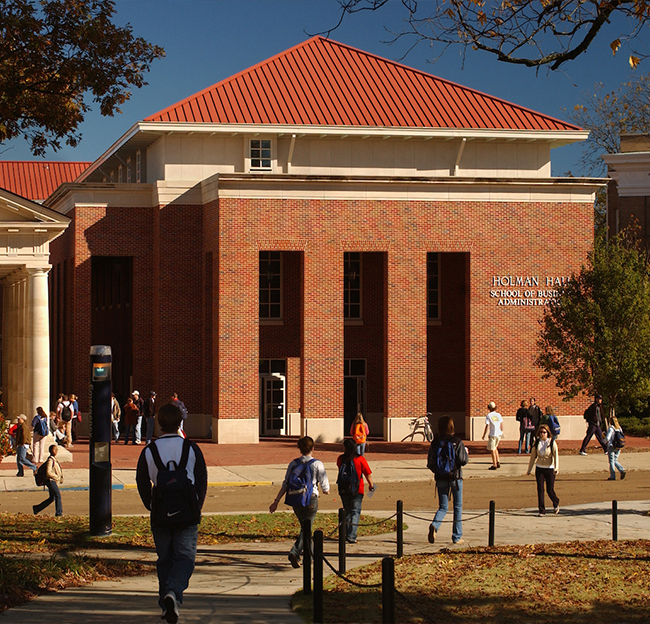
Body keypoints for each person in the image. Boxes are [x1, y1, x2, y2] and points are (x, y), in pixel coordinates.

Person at [136, 403, 207, 624]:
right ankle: (174, 594)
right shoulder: (191, 448)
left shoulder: (149, 451)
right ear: (179, 422)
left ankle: (167, 602)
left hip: (161, 513)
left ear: (159, 423)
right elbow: (202, 479)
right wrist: (198, 504)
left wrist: (150, 504)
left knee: (165, 559)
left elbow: (141, 481)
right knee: (185, 558)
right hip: (187, 512)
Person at [269, 436, 330, 568]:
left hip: (296, 500)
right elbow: (325, 484)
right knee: (306, 529)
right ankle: (295, 552)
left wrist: (276, 501)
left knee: (304, 527)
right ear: (313, 448)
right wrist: (325, 490)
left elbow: (286, 483)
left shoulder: (293, 464)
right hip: (311, 499)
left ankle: (312, 556)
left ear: (300, 449)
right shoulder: (317, 464)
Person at [427, 415, 468, 545]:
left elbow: (431, 463)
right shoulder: (457, 441)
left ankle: (435, 524)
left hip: (441, 479)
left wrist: (439, 472)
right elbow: (463, 460)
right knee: (457, 507)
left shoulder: (435, 443)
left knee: (443, 507)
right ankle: (456, 536)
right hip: (456, 478)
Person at [336, 438, 374, 544]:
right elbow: (367, 473)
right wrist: (371, 485)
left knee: (347, 511)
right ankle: (351, 536)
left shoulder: (340, 459)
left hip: (344, 488)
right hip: (357, 489)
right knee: (355, 512)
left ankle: (347, 533)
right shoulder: (360, 459)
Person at [527, 424, 559, 516]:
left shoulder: (552, 442)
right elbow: (533, 457)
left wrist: (556, 468)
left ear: (547, 433)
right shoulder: (537, 442)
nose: (542, 434)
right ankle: (541, 510)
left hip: (549, 468)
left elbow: (556, 455)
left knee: (550, 490)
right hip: (539, 468)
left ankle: (556, 501)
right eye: (541, 432)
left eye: (544, 432)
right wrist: (529, 470)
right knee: (540, 489)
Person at [33, 444, 63, 517]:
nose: (55, 451)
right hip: (50, 480)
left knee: (52, 498)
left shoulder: (54, 460)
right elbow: (48, 472)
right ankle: (59, 513)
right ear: (51, 451)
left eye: (56, 450)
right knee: (57, 496)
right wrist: (56, 477)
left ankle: (37, 508)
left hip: (52, 480)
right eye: (54, 450)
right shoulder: (50, 460)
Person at [481, 401, 503, 470]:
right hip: (498, 433)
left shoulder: (489, 415)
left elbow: (487, 426)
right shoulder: (498, 415)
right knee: (495, 447)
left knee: (492, 449)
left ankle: (494, 464)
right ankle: (498, 461)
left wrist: (484, 434)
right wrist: (501, 432)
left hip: (493, 434)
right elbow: (501, 425)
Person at [605, 416, 626, 480]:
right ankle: (621, 470)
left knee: (611, 461)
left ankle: (613, 476)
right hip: (619, 446)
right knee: (615, 460)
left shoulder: (611, 428)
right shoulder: (619, 428)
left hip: (612, 446)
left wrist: (604, 442)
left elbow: (607, 438)